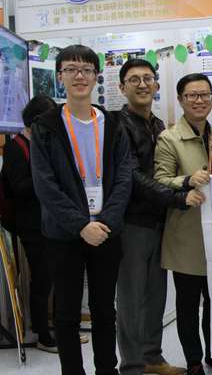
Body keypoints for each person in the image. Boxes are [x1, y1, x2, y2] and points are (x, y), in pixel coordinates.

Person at [30, 44, 132, 375]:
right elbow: (45, 184)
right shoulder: (46, 126)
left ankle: (106, 370)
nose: (79, 76)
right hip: (63, 234)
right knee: (66, 314)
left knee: (105, 311)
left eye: (87, 69)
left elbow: (124, 177)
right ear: (59, 77)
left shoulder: (113, 123)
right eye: (71, 69)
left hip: (106, 232)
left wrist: (106, 222)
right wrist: (79, 225)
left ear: (96, 76)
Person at [116, 58, 201, 375]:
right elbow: (133, 177)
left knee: (155, 295)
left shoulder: (157, 125)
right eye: (134, 79)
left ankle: (152, 357)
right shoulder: (118, 126)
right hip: (132, 223)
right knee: (131, 298)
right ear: (121, 87)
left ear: (156, 85)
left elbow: (164, 173)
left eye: (147, 78)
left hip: (160, 221)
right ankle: (132, 365)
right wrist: (178, 197)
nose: (142, 85)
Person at [154, 73, 212, 375]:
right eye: (192, 95)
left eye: (205, 95)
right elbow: (160, 180)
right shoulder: (169, 138)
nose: (199, 101)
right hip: (186, 235)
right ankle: (193, 360)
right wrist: (187, 181)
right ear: (180, 100)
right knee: (188, 304)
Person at [2, 95, 57, 353]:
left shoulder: (44, 143)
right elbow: (19, 188)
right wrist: (46, 177)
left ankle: (57, 328)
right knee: (42, 278)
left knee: (55, 276)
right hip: (31, 224)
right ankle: (42, 334)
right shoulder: (16, 147)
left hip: (51, 221)